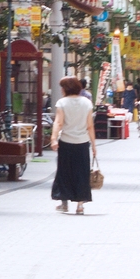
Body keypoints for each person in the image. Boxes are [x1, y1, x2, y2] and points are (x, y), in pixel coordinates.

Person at [49, 76, 95, 213]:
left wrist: (53, 139)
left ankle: (64, 203)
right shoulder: (86, 103)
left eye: (62, 87)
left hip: (66, 143)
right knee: (81, 173)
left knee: (64, 172)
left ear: (65, 89)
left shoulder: (62, 103)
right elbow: (90, 126)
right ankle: (80, 205)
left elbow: (58, 122)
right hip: (82, 143)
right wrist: (93, 145)